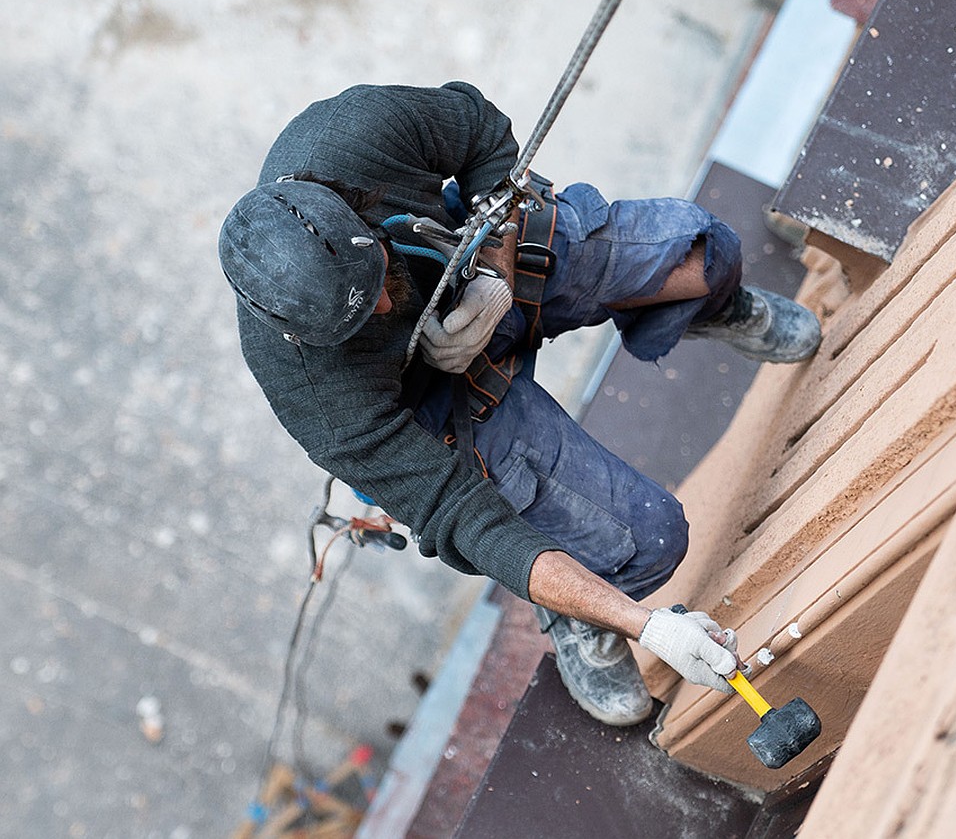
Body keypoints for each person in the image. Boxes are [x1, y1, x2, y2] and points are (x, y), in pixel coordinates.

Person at [218, 82, 822, 726]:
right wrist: (645, 627)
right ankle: (575, 612)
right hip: (438, 401)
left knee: (701, 253)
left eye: (377, 283)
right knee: (647, 542)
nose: (389, 309)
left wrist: (495, 276)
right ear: (299, 334)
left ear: (355, 212)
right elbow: (462, 517)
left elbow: (484, 133)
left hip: (469, 255)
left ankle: (710, 308)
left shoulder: (349, 137)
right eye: (367, 317)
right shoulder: (313, 392)